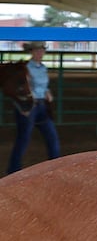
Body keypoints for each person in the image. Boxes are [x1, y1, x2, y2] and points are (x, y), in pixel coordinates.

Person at [7, 42, 61, 175]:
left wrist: (47, 92)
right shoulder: (24, 69)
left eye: (42, 50)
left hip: (42, 106)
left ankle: (55, 167)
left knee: (52, 137)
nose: (39, 53)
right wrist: (21, 107)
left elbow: (42, 86)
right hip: (28, 107)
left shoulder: (43, 68)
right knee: (23, 139)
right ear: (31, 52)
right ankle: (13, 170)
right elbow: (15, 89)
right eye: (37, 51)